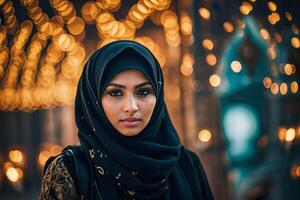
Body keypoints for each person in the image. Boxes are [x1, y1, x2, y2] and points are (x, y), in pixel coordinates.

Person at [39, 40, 214, 200]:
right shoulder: (71, 172)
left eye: (143, 92)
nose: (131, 106)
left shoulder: (187, 165)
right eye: (115, 93)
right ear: (93, 101)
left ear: (158, 96)